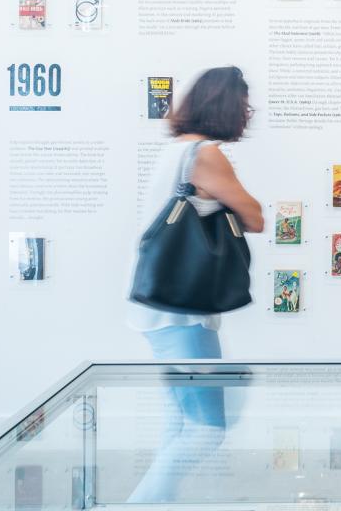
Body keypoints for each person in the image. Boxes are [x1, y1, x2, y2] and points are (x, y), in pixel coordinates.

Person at [126, 66, 264, 503]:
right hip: (182, 315)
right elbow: (255, 217)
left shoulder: (178, 150)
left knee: (180, 425)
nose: (247, 111)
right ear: (224, 105)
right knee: (207, 429)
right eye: (243, 103)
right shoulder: (204, 155)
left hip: (160, 309)